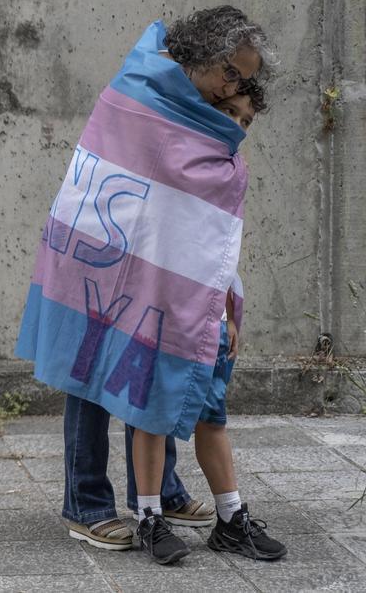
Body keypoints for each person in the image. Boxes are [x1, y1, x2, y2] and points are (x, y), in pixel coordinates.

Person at [15, 5, 276, 565]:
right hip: (100, 253)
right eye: (232, 72)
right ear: (202, 55)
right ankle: (85, 505)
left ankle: (159, 494)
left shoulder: (209, 113)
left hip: (163, 260)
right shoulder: (138, 89)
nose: (237, 85)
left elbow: (196, 210)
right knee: (93, 370)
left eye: (245, 79)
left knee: (157, 355)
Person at [123, 81, 287, 562]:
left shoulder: (232, 173)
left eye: (245, 120)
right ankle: (150, 519)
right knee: (151, 417)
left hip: (209, 316)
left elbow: (225, 247)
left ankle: (231, 519)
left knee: (212, 418)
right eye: (228, 113)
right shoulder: (171, 162)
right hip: (163, 311)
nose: (235, 125)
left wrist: (229, 310)